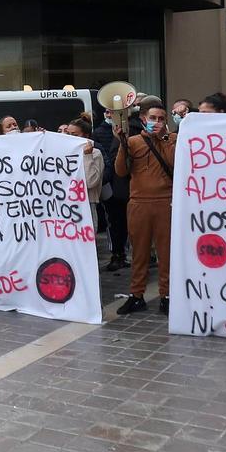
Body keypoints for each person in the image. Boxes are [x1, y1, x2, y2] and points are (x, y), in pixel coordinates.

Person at [114, 102, 176, 316]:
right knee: (139, 252)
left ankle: (167, 295)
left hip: (166, 202)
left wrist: (164, 138)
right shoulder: (132, 141)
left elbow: (175, 163)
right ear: (143, 119)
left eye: (161, 119)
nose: (156, 122)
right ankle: (136, 295)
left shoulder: (172, 140)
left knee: (166, 252)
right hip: (139, 203)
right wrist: (122, 144)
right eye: (152, 118)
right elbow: (121, 171)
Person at [93, 109, 130, 272]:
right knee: (114, 222)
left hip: (126, 182)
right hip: (112, 184)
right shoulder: (99, 133)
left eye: (113, 112)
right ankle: (117, 253)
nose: (109, 115)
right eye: (107, 112)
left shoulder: (131, 129)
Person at [64, 119, 101, 226]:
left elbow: (91, 182)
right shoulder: (63, 152)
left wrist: (87, 156)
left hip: (87, 204)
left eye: (74, 134)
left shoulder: (95, 153)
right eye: (68, 133)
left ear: (86, 136)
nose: (69, 137)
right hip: (66, 203)